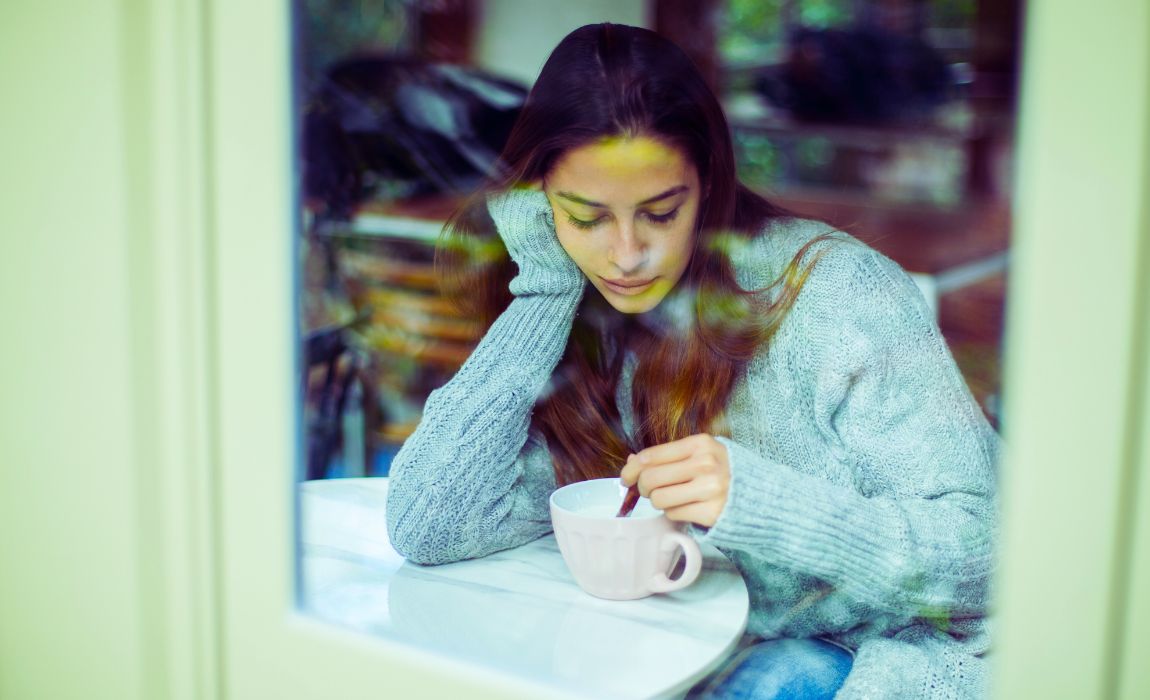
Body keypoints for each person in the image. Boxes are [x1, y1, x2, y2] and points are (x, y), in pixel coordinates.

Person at [386, 22, 998, 700]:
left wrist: (767, 504)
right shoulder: (572, 311)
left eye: (659, 213)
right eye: (585, 218)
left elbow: (989, 555)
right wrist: (545, 290)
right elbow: (430, 526)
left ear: (706, 187)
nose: (625, 255)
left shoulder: (840, 294)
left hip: (868, 657)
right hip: (690, 653)